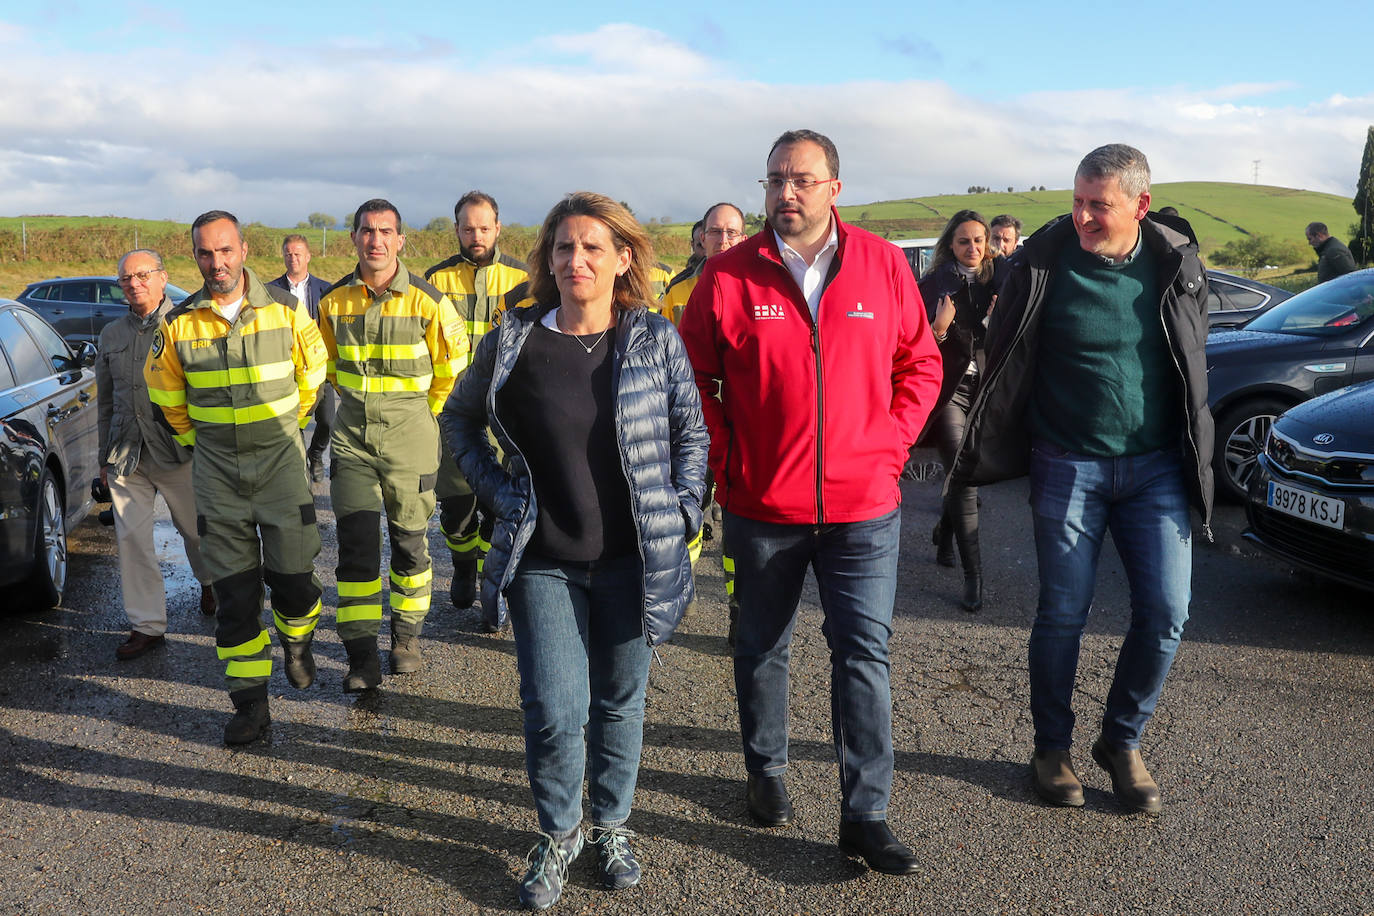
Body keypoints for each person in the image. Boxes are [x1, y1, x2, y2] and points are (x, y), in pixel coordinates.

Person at [678, 129, 942, 876]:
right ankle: (766, 770)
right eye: (773, 181)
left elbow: (921, 365)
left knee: (863, 653)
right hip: (763, 506)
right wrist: (729, 461)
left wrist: (888, 449)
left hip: (865, 508)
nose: (784, 194)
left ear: (835, 188)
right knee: (761, 646)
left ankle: (866, 815)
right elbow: (691, 378)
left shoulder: (884, 265)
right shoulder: (729, 274)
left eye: (800, 180)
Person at [440, 192, 708, 909]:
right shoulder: (515, 338)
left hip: (634, 558)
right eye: (564, 247)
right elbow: (460, 418)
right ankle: (559, 833)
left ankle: (612, 826)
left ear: (624, 259)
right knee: (556, 709)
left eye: (593, 247)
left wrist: (684, 507)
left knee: (620, 703)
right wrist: (501, 494)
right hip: (545, 562)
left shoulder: (655, 338)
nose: (577, 259)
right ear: (547, 259)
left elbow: (692, 433)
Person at [950, 144, 1213, 815]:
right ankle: (1051, 748)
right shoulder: (1042, 259)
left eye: (1100, 205)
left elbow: (1192, 357)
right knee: (1063, 612)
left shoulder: (1174, 260)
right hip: (1068, 462)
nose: (1084, 216)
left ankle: (1121, 741)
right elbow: (1002, 352)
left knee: (1167, 612)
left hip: (1156, 466)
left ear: (1140, 205)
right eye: (1077, 200)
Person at [144, 210, 328, 745]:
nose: (216, 262)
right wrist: (203, 444)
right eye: (205, 252)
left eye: (225, 250)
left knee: (294, 580)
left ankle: (297, 640)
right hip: (218, 477)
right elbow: (167, 400)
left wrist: (286, 426)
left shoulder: (289, 313)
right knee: (236, 598)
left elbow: (313, 374)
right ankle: (251, 705)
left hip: (281, 469)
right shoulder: (177, 324)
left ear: (245, 250)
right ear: (195, 256)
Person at [319, 200, 466, 690]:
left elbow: (451, 372)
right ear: (354, 238)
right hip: (354, 440)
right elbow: (329, 368)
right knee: (356, 548)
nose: (375, 240)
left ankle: (406, 638)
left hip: (412, 438)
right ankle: (360, 655)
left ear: (401, 240)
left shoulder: (429, 302)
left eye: (385, 231)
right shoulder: (333, 302)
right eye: (366, 231)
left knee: (409, 544)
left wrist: (420, 416)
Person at [98, 248, 214, 660]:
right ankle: (147, 626)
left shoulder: (185, 325)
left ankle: (210, 582)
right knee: (132, 540)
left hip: (179, 451)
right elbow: (106, 402)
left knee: (197, 532)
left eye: (143, 275)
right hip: (127, 454)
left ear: (163, 278)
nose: (134, 284)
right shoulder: (111, 335)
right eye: (126, 279)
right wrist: (102, 458)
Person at [425, 191, 531, 616]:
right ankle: (463, 560)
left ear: (498, 228)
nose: (476, 235)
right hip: (456, 408)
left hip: (507, 408)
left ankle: (491, 569)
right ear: (456, 230)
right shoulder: (434, 281)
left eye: (484, 227)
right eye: (468, 228)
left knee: (501, 498)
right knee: (454, 503)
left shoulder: (523, 280)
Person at [918, 210, 1006, 613]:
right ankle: (975, 578)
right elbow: (912, 349)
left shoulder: (1002, 279)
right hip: (948, 391)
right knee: (962, 472)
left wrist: (995, 320)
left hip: (986, 389)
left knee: (965, 472)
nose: (973, 248)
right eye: (963, 241)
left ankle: (945, 531)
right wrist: (938, 329)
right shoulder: (931, 285)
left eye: (978, 240)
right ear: (949, 246)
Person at [268, 234, 334, 482]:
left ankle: (315, 454)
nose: (293, 258)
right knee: (293, 422)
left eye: (297, 254)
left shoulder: (326, 290)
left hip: (319, 369)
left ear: (308, 256)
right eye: (288, 254)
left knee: (326, 421)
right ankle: (294, 466)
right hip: (286, 369)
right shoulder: (270, 291)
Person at [660, 203, 746, 325]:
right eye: (715, 232)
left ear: (744, 241)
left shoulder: (763, 290)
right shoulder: (676, 293)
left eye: (731, 233)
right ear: (703, 239)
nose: (723, 241)